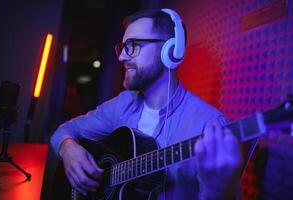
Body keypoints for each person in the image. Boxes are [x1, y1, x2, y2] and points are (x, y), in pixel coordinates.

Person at [51, 8, 243, 199]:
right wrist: (68, 148)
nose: (122, 57)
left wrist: (219, 189)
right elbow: (64, 131)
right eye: (123, 46)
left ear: (170, 51)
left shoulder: (210, 125)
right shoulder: (122, 104)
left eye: (133, 45)